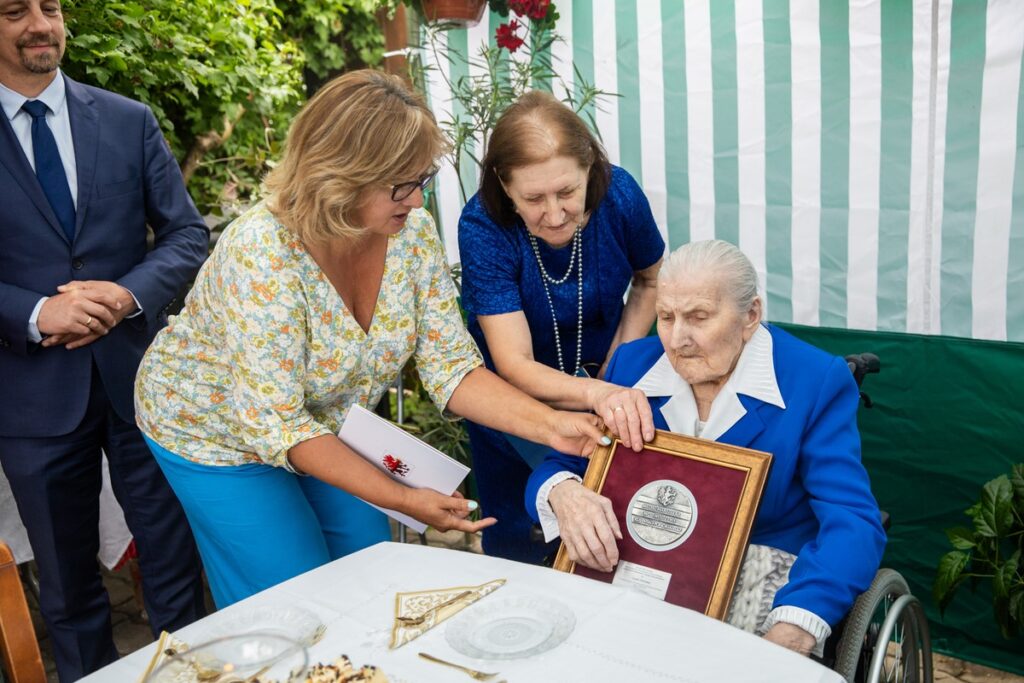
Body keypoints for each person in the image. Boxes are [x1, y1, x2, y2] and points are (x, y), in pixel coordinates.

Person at [134, 70, 608, 609]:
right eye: (400, 184)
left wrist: (555, 425)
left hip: (324, 422)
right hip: (215, 432)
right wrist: (404, 498)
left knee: (366, 573)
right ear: (342, 176)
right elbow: (279, 424)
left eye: (421, 177)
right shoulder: (262, 253)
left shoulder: (409, 234)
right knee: (296, 599)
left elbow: (452, 368)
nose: (417, 197)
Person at [525, 240, 886, 657]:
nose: (678, 339)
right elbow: (562, 462)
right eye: (665, 317)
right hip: (639, 563)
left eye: (698, 317)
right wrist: (564, 493)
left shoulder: (814, 380)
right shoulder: (632, 366)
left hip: (758, 570)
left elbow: (853, 520)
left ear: (751, 315)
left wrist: (797, 624)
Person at [0, 0, 208, 679]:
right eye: (12, 12)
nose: (39, 23)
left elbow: (185, 233)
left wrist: (125, 294)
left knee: (176, 567)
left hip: (140, 384)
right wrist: (36, 314)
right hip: (31, 395)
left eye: (50, 7)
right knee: (68, 590)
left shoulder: (127, 120)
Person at [458, 91, 666, 563]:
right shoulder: (482, 227)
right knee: (524, 540)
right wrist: (596, 395)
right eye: (533, 198)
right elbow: (513, 363)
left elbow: (651, 279)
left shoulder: (621, 196)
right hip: (515, 405)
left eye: (567, 192)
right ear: (503, 186)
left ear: (590, 168)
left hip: (609, 381)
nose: (553, 215)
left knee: (616, 528)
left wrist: (615, 372)